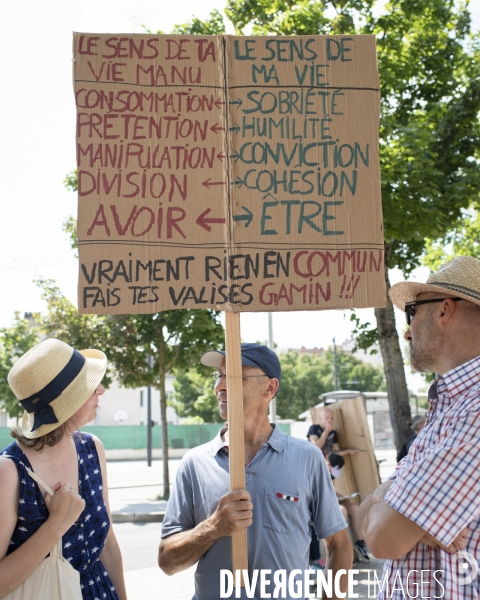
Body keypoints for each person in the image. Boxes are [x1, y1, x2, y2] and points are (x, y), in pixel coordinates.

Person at [159, 343, 352, 599]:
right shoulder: (194, 463)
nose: (220, 387)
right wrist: (213, 528)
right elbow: (167, 562)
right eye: (219, 376)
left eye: (235, 376)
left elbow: (339, 545)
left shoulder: (307, 458)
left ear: (270, 388)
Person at [359, 256, 480, 598]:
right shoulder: (453, 405)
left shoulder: (473, 410)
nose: (407, 330)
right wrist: (393, 498)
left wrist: (386, 498)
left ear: (444, 310)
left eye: (412, 310)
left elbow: (383, 539)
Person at [0, 338, 127, 600]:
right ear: (65, 402)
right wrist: (56, 524)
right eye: (90, 386)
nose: (101, 390)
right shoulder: (9, 471)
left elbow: (109, 544)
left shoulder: (92, 449)